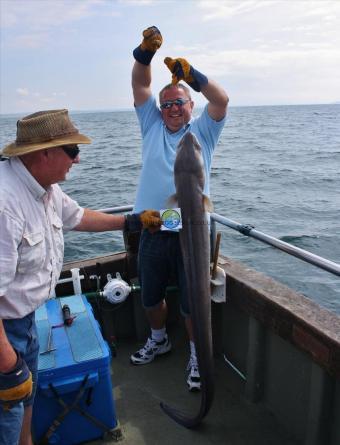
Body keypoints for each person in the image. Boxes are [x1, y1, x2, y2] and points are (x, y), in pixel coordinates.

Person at [0, 109, 161, 445]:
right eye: (71, 150)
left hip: (27, 318)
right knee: (8, 413)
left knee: (26, 399)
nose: (77, 158)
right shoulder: (5, 204)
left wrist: (131, 221)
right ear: (45, 152)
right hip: (5, 330)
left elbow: (77, 217)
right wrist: (6, 363)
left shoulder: (43, 187)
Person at [130, 26, 229, 391]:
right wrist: (144, 54)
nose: (172, 108)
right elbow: (141, 86)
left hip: (192, 230)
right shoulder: (150, 124)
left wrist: (194, 76)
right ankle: (159, 339)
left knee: (193, 302)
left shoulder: (202, 132)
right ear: (160, 109)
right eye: (166, 103)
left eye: (179, 102)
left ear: (191, 107)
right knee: (150, 294)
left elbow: (220, 101)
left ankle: (195, 353)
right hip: (154, 227)